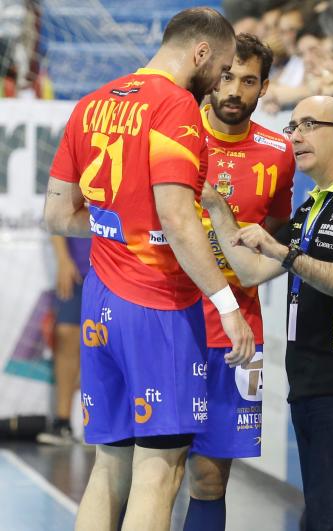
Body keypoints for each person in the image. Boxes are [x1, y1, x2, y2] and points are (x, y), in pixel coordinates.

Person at [43, 9, 255, 531]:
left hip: (101, 301)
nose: (222, 82)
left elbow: (56, 214)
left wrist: (119, 226)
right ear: (201, 53)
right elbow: (179, 220)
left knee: (108, 468)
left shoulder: (91, 103)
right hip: (157, 305)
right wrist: (228, 308)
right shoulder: (176, 106)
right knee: (159, 471)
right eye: (223, 69)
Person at [202, 95, 333, 530]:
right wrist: (218, 209)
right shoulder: (314, 205)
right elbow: (253, 271)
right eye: (292, 127)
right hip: (311, 382)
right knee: (319, 518)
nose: (295, 136)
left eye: (309, 125)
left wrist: (284, 251)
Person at [182, 34, 294, 531]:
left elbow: (278, 235)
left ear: (264, 87)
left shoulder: (278, 152)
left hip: (236, 328)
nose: (233, 90)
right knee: (152, 467)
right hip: (168, 314)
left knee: (210, 479)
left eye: (247, 81)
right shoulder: (176, 137)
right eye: (226, 77)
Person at [37, 236, 89, 445]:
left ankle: (106, 424)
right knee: (66, 334)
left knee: (111, 341)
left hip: (115, 264)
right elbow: (56, 214)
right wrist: (63, 259)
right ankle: (62, 422)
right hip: (78, 266)